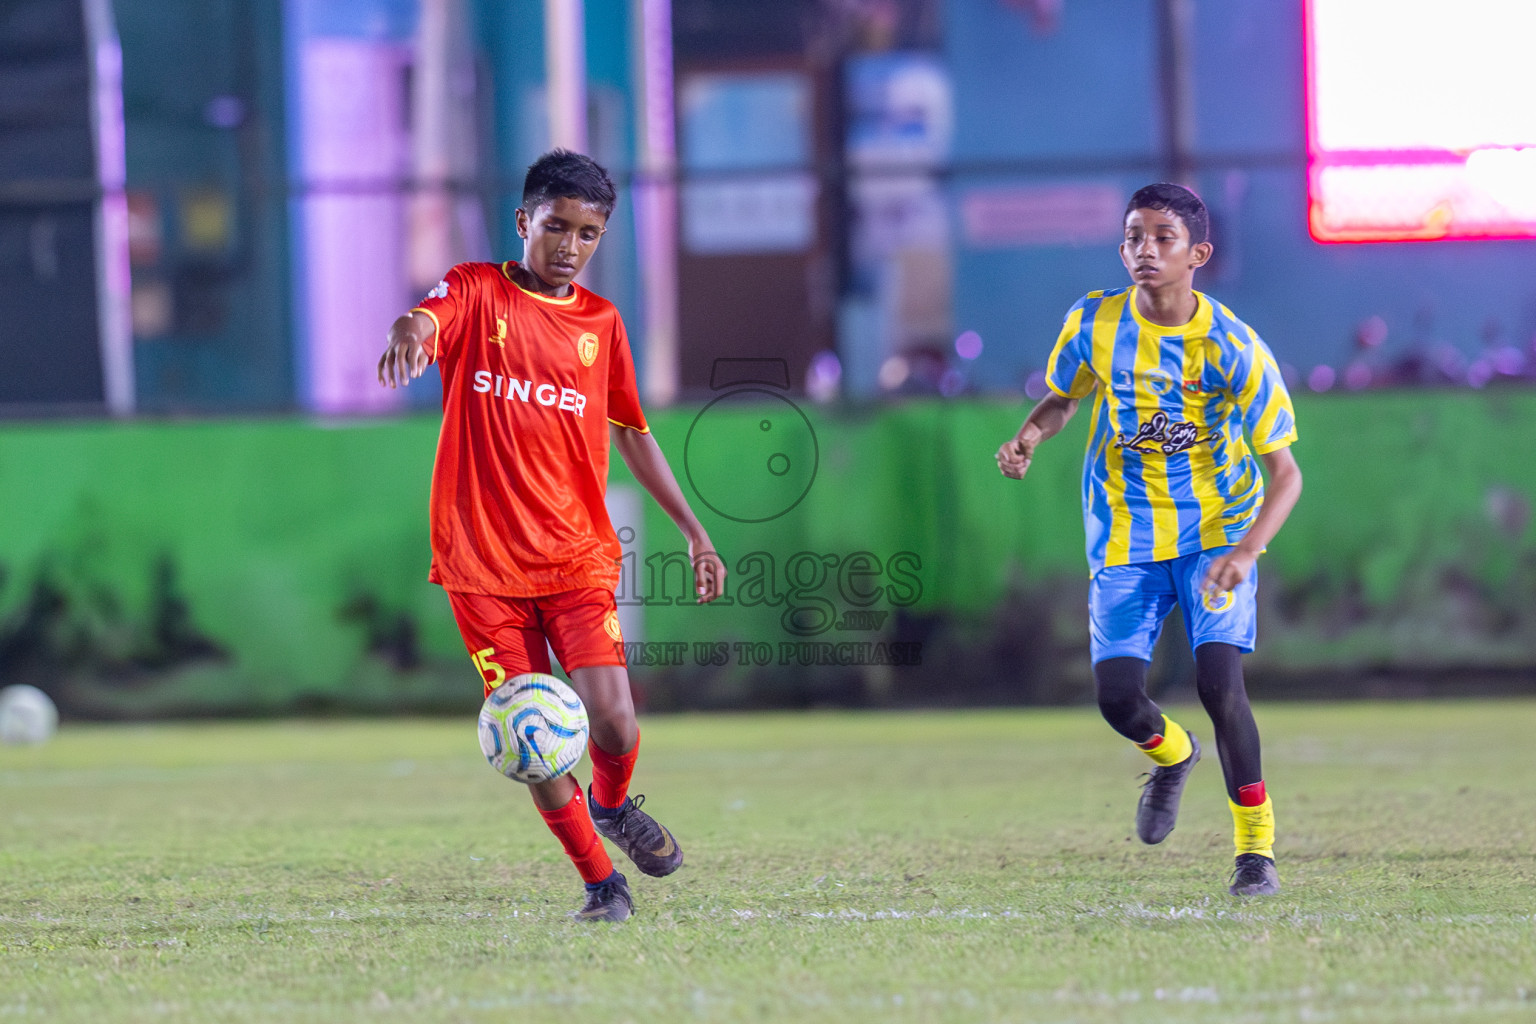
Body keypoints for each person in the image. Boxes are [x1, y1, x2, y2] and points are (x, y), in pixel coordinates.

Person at [378, 149, 726, 922]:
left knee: (615, 719)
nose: (570, 245)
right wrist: (409, 331)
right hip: (480, 568)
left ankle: (611, 805)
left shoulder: (602, 324)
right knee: (529, 735)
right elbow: (426, 316)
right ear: (523, 222)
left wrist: (695, 533)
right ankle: (603, 885)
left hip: (575, 558)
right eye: (556, 226)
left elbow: (634, 433)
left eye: (589, 233)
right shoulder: (477, 290)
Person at [996, 182, 1302, 896]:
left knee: (1220, 684)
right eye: (1134, 235)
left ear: (1198, 254)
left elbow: (1285, 474)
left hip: (1216, 535)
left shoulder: (1232, 348)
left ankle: (1255, 852)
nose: (1145, 250)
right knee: (1117, 700)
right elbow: (1065, 396)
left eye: (1163, 238)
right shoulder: (1095, 322)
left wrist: (1246, 549)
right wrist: (1030, 435)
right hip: (1126, 538)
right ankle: (1173, 756)